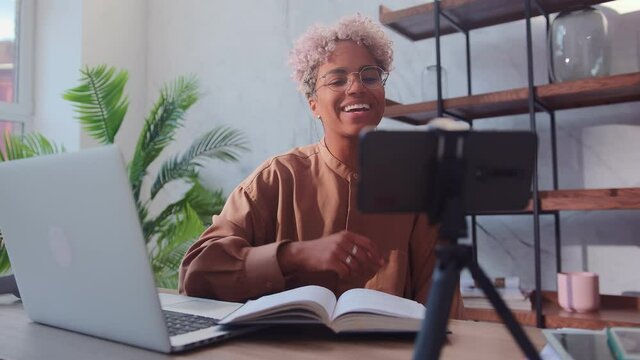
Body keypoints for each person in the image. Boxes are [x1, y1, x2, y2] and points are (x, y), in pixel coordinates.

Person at [179, 14, 463, 319]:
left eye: (370, 76)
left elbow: (442, 308)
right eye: (337, 79)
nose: (356, 88)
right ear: (313, 104)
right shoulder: (276, 178)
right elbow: (196, 273)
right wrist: (294, 255)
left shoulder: (417, 187)